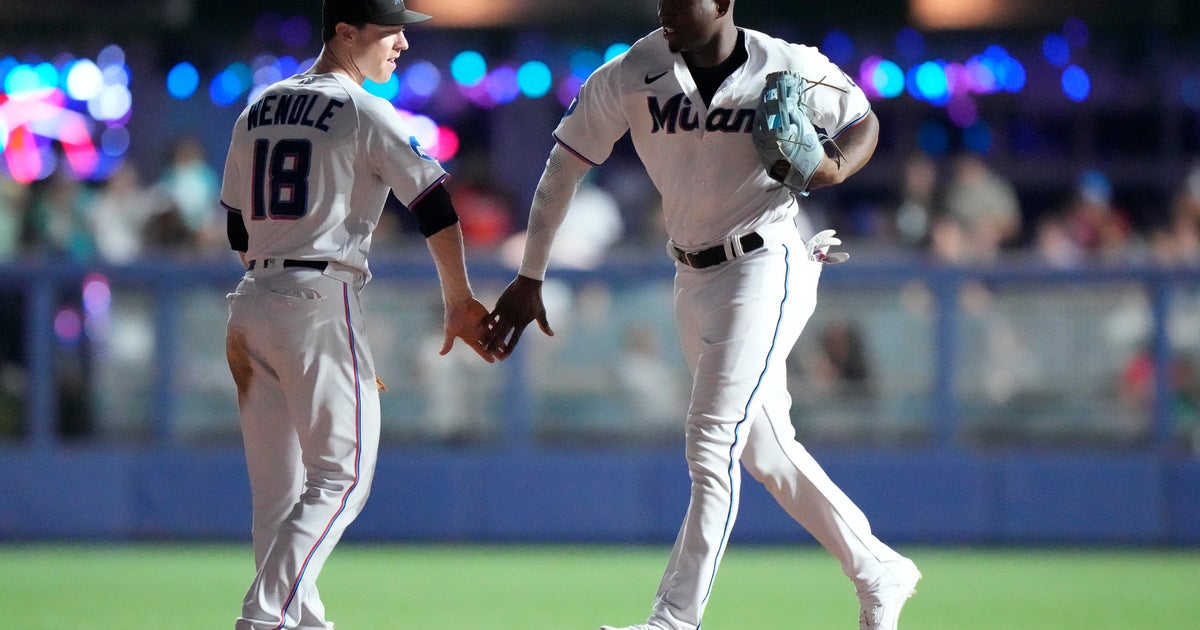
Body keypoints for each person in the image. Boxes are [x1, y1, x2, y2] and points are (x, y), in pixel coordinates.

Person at [483, 1, 920, 629]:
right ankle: (878, 569)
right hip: (692, 274)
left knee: (712, 440)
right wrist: (531, 273)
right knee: (766, 450)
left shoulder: (783, 62)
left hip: (766, 260)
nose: (666, 7)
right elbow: (563, 166)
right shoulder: (635, 69)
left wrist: (832, 168)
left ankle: (674, 620)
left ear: (723, 3)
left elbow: (862, 120)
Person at [219, 1, 494, 628]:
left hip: (251, 301)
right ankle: (263, 617)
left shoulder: (257, 107)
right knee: (341, 478)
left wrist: (275, 264)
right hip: (317, 301)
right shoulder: (363, 108)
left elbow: (236, 221)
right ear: (345, 32)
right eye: (389, 30)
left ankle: (301, 620)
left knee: (279, 499)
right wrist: (457, 300)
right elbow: (432, 202)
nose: (401, 42)